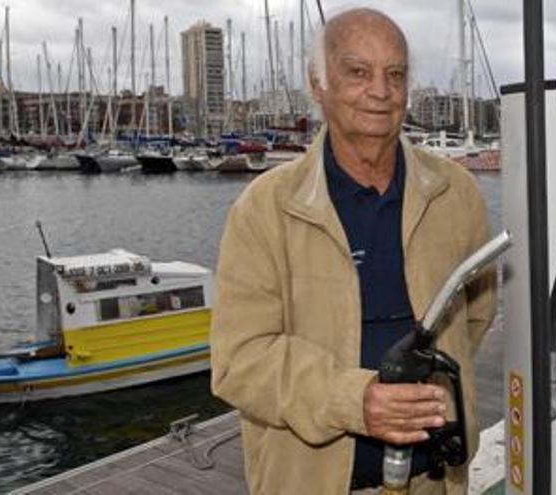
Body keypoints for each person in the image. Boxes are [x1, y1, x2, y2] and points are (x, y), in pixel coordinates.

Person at [210, 7, 496, 494]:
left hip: (435, 483)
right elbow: (240, 361)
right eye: (358, 72)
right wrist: (354, 399)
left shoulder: (456, 194)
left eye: (395, 74)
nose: (381, 91)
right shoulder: (264, 209)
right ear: (318, 83)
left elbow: (475, 317)